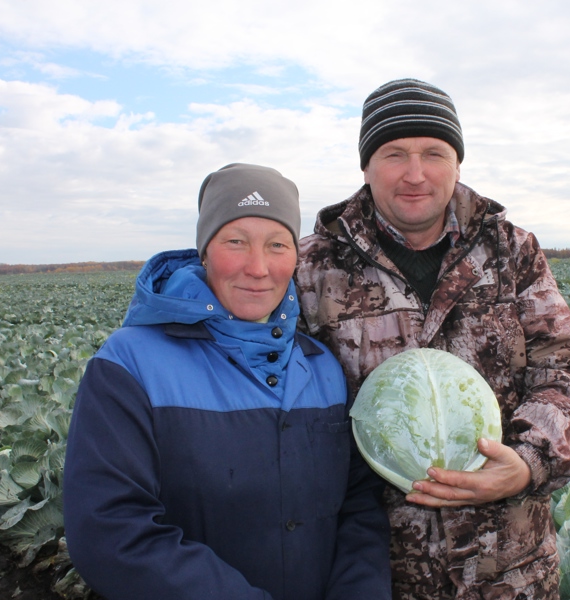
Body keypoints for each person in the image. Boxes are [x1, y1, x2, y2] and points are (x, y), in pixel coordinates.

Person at [295, 79, 570, 599]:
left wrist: (527, 463)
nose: (415, 174)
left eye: (433, 153)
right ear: (366, 166)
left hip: (509, 570)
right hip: (374, 574)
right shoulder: (310, 266)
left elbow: (566, 371)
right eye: (394, 154)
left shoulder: (510, 250)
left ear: (457, 162)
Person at [63, 163, 391, 600]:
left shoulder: (323, 368)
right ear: (204, 251)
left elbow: (358, 507)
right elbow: (111, 530)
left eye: (277, 245)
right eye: (235, 242)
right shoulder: (130, 364)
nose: (258, 267)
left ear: (296, 257)